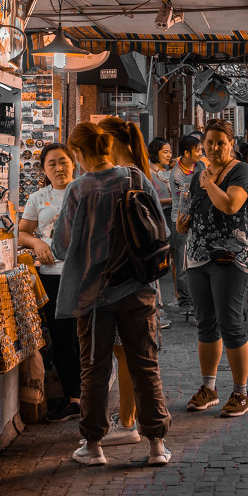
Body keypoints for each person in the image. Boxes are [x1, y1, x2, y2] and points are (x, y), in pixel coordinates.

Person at [53, 122, 170, 466]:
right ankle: (157, 446)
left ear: (79, 152)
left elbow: (61, 246)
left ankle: (93, 446)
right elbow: (160, 229)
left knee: (95, 369)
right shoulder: (135, 178)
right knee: (145, 365)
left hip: (93, 295)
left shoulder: (79, 189)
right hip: (138, 289)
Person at [177, 118, 248, 418]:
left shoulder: (241, 171)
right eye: (208, 143)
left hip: (230, 257)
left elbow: (230, 205)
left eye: (220, 143)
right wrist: (183, 224)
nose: (213, 148)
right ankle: (208, 388)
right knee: (205, 323)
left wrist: (209, 183)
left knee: (230, 324)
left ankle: (241, 393)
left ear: (230, 144)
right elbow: (194, 210)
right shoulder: (199, 174)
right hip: (198, 256)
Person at [96, 116, 162, 448]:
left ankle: (126, 423)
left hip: (120, 279)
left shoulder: (118, 178)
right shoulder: (140, 176)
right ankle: (138, 427)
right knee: (137, 356)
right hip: (142, 278)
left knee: (126, 355)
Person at [18, 143, 82, 422]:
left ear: (73, 163)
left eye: (63, 161)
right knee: (62, 339)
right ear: (43, 169)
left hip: (83, 276)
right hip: (51, 277)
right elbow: (22, 233)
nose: (58, 168)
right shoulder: (38, 197)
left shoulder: (84, 191)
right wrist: (37, 243)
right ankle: (74, 398)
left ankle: (93, 395)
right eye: (52, 163)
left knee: (86, 336)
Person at [168, 135, 204, 314]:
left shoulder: (200, 165)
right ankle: (184, 301)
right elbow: (189, 196)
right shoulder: (177, 174)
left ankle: (196, 298)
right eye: (198, 150)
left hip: (198, 219)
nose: (201, 153)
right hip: (181, 220)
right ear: (186, 153)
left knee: (197, 260)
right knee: (182, 262)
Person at [148, 138, 174, 304]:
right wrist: (173, 200)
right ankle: (156, 301)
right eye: (165, 152)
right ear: (154, 153)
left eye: (170, 152)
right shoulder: (148, 173)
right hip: (158, 217)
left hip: (171, 217)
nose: (169, 155)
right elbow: (151, 198)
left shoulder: (167, 172)